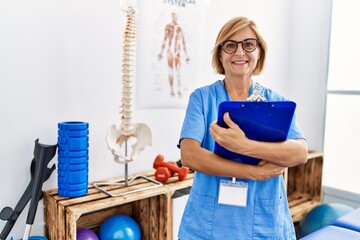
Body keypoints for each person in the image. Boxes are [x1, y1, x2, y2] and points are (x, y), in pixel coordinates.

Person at [177, 16, 308, 240]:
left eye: (249, 44)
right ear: (220, 53)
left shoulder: (275, 102)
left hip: (264, 224)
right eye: (230, 45)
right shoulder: (202, 98)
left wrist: (245, 146)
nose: (239, 52)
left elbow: (299, 153)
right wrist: (253, 172)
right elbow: (189, 156)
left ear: (259, 52)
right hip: (207, 226)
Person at [158, 12, 190, 97]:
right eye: (173, 15)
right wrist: (161, 52)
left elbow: (183, 42)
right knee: (171, 71)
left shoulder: (180, 28)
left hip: (177, 51)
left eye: (175, 15)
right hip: (170, 51)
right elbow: (165, 40)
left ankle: (179, 90)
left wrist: (186, 55)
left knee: (178, 71)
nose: (174, 17)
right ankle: (172, 90)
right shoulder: (168, 26)